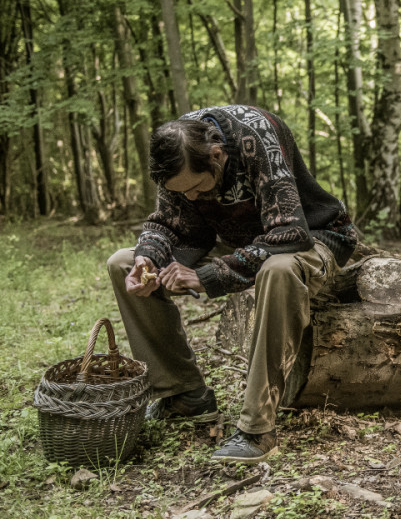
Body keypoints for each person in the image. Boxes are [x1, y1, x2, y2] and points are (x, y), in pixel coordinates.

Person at [108, 104, 357, 463]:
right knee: (122, 262)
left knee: (278, 270)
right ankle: (183, 394)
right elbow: (166, 223)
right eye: (183, 192)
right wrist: (148, 255)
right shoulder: (177, 151)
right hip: (239, 240)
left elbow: (290, 232)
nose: (191, 197)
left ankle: (258, 429)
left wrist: (207, 276)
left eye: (195, 187)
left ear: (217, 154)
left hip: (311, 235)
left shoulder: (257, 135)